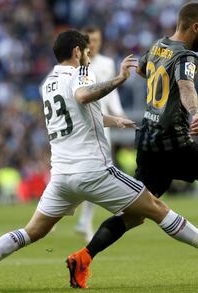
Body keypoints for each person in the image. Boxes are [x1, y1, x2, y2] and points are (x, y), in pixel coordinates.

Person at [0, 29, 198, 291]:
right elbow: (82, 96)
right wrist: (118, 78)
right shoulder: (81, 72)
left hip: (62, 177)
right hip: (93, 171)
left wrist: (113, 121)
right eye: (87, 52)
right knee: (156, 208)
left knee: (33, 231)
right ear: (77, 51)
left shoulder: (48, 83)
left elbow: (78, 114)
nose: (89, 57)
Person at [67, 2, 198, 288]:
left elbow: (143, 70)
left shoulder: (159, 46)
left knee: (133, 215)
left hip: (147, 143)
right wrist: (194, 113)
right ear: (194, 27)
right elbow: (186, 86)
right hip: (175, 143)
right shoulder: (187, 55)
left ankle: (83, 257)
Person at [75, 26, 127, 243]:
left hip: (101, 124)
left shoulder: (106, 64)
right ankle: (58, 215)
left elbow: (110, 95)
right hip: (79, 125)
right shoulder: (75, 64)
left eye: (96, 39)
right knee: (77, 171)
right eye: (89, 39)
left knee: (97, 171)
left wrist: (120, 114)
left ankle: (85, 221)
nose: (93, 43)